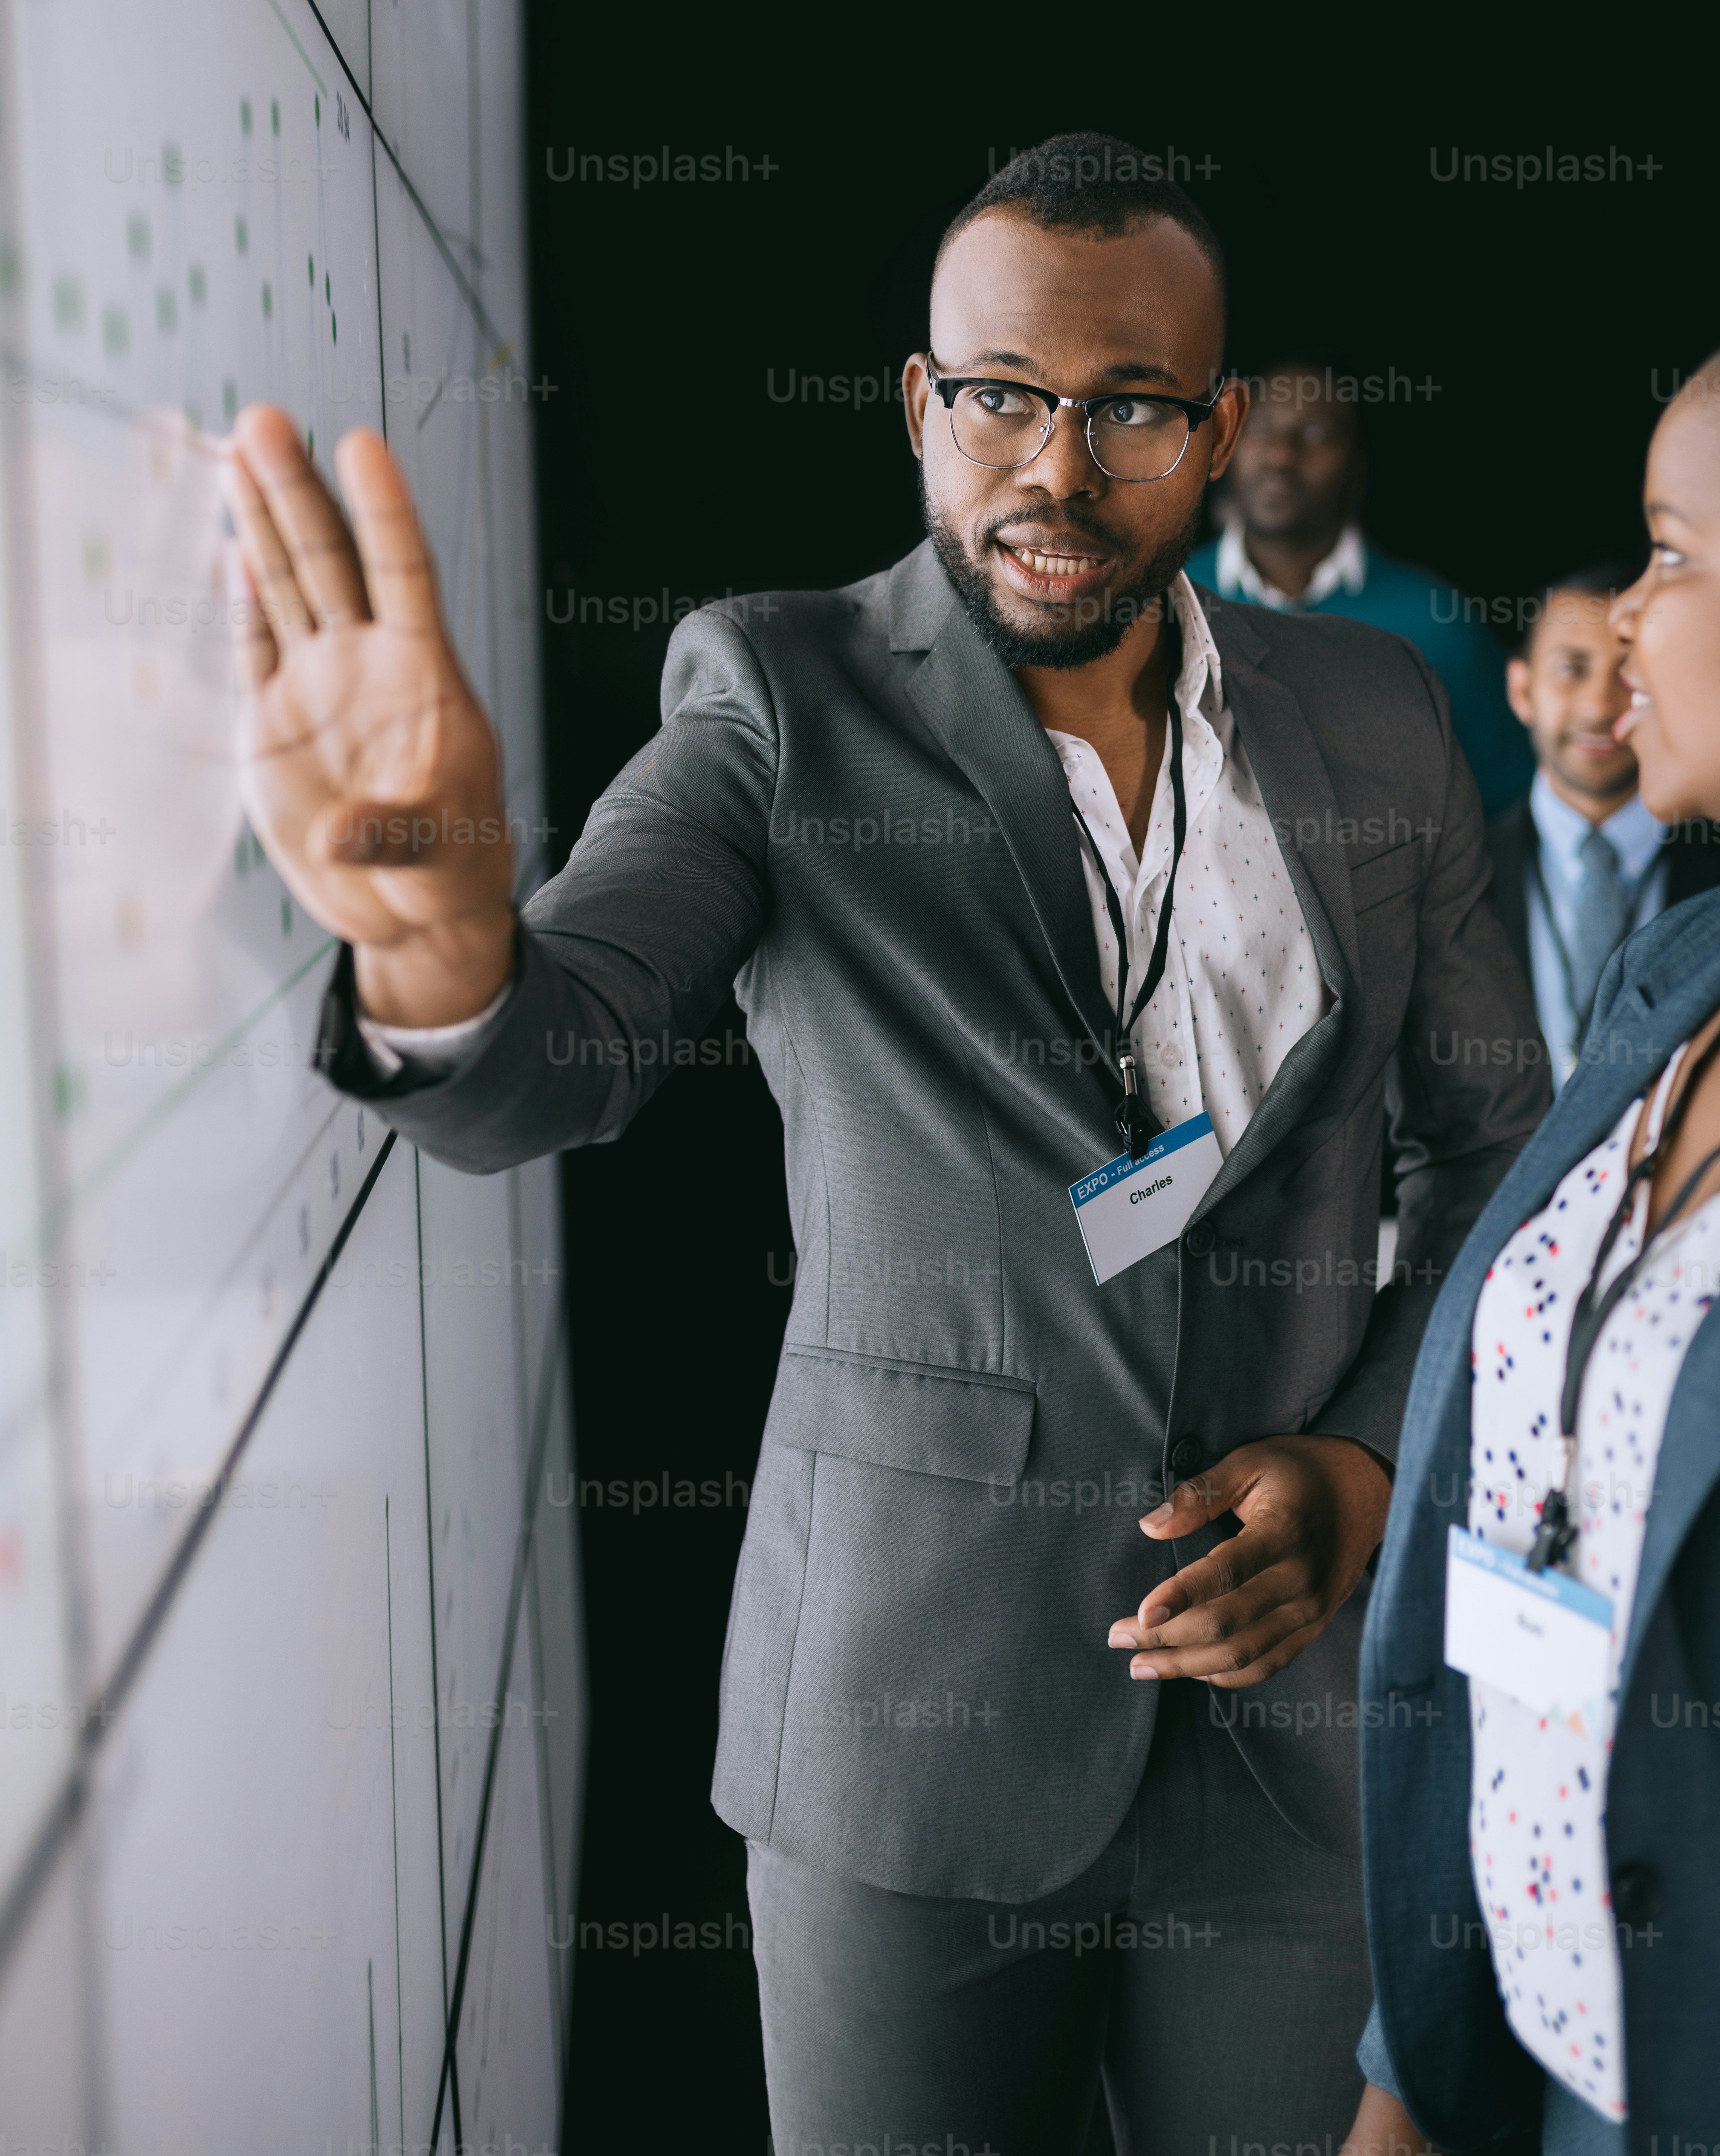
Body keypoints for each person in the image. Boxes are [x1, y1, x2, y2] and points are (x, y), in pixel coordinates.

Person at [224, 134, 1544, 2156]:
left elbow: (1495, 1154)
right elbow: (562, 1048)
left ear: (1219, 428)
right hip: (911, 1725)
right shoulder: (778, 689)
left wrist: (1360, 1465)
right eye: (1002, 394)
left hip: (1295, 1724)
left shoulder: (1376, 710)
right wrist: (438, 945)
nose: (1056, 463)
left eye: (1126, 409)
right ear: (925, 407)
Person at [1341, 183, 1720, 2156]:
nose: (1618, 620)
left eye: (1678, 553)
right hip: (1517, 2055)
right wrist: (1405, 2063)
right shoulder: (1695, 955)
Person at [1489, 563, 1720, 1081]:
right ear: (1521, 691)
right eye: (1571, 668)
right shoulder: (1450, 875)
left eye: (1626, 674)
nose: (1599, 706)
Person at [1187, 361, 1531, 812]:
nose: (1281, 456)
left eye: (1315, 437)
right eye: (1263, 430)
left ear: (1357, 469)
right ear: (1227, 445)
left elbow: (1506, 793)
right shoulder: (1172, 598)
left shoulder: (1436, 618)